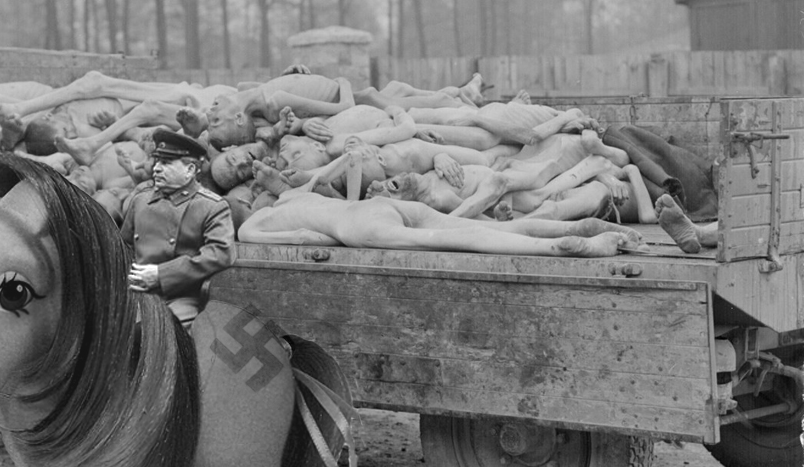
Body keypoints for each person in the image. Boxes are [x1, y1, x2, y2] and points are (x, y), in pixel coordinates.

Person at [237, 191, 645, 257]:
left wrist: (325, 240)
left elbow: (305, 238)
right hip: (375, 205)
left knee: (462, 238)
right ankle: (575, 227)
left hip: (357, 225)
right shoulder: (291, 196)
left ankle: (554, 248)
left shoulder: (255, 221)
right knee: (486, 227)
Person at [119, 129, 236, 328]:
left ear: (190, 170)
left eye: (166, 163)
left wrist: (161, 274)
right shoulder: (140, 201)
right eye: (157, 162)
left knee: (168, 332)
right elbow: (123, 248)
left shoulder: (211, 206)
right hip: (136, 293)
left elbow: (221, 253)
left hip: (182, 298)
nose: (156, 168)